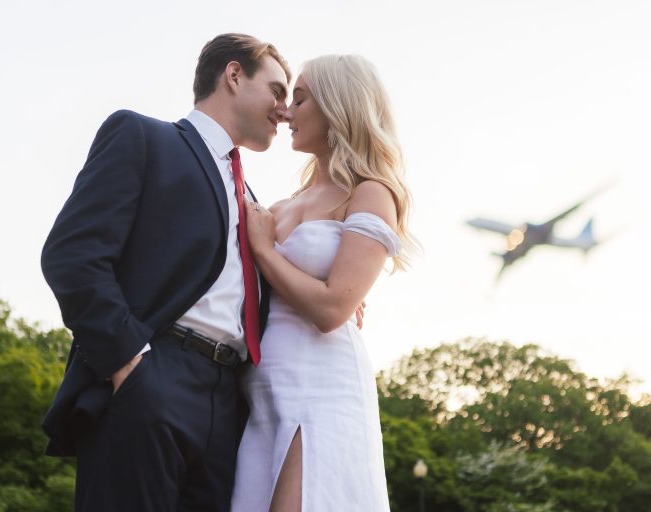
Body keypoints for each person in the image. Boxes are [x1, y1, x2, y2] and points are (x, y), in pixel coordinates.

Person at [40, 33, 292, 511]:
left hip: (229, 404)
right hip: (151, 376)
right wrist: (130, 364)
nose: (284, 110)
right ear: (234, 75)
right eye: (278, 91)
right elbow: (72, 254)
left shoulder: (254, 203)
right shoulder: (142, 137)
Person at [231, 54, 416, 512]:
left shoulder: (370, 192)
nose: (285, 112)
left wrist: (267, 252)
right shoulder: (276, 206)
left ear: (338, 106)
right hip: (262, 391)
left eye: (301, 98)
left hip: (323, 388)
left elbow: (333, 309)